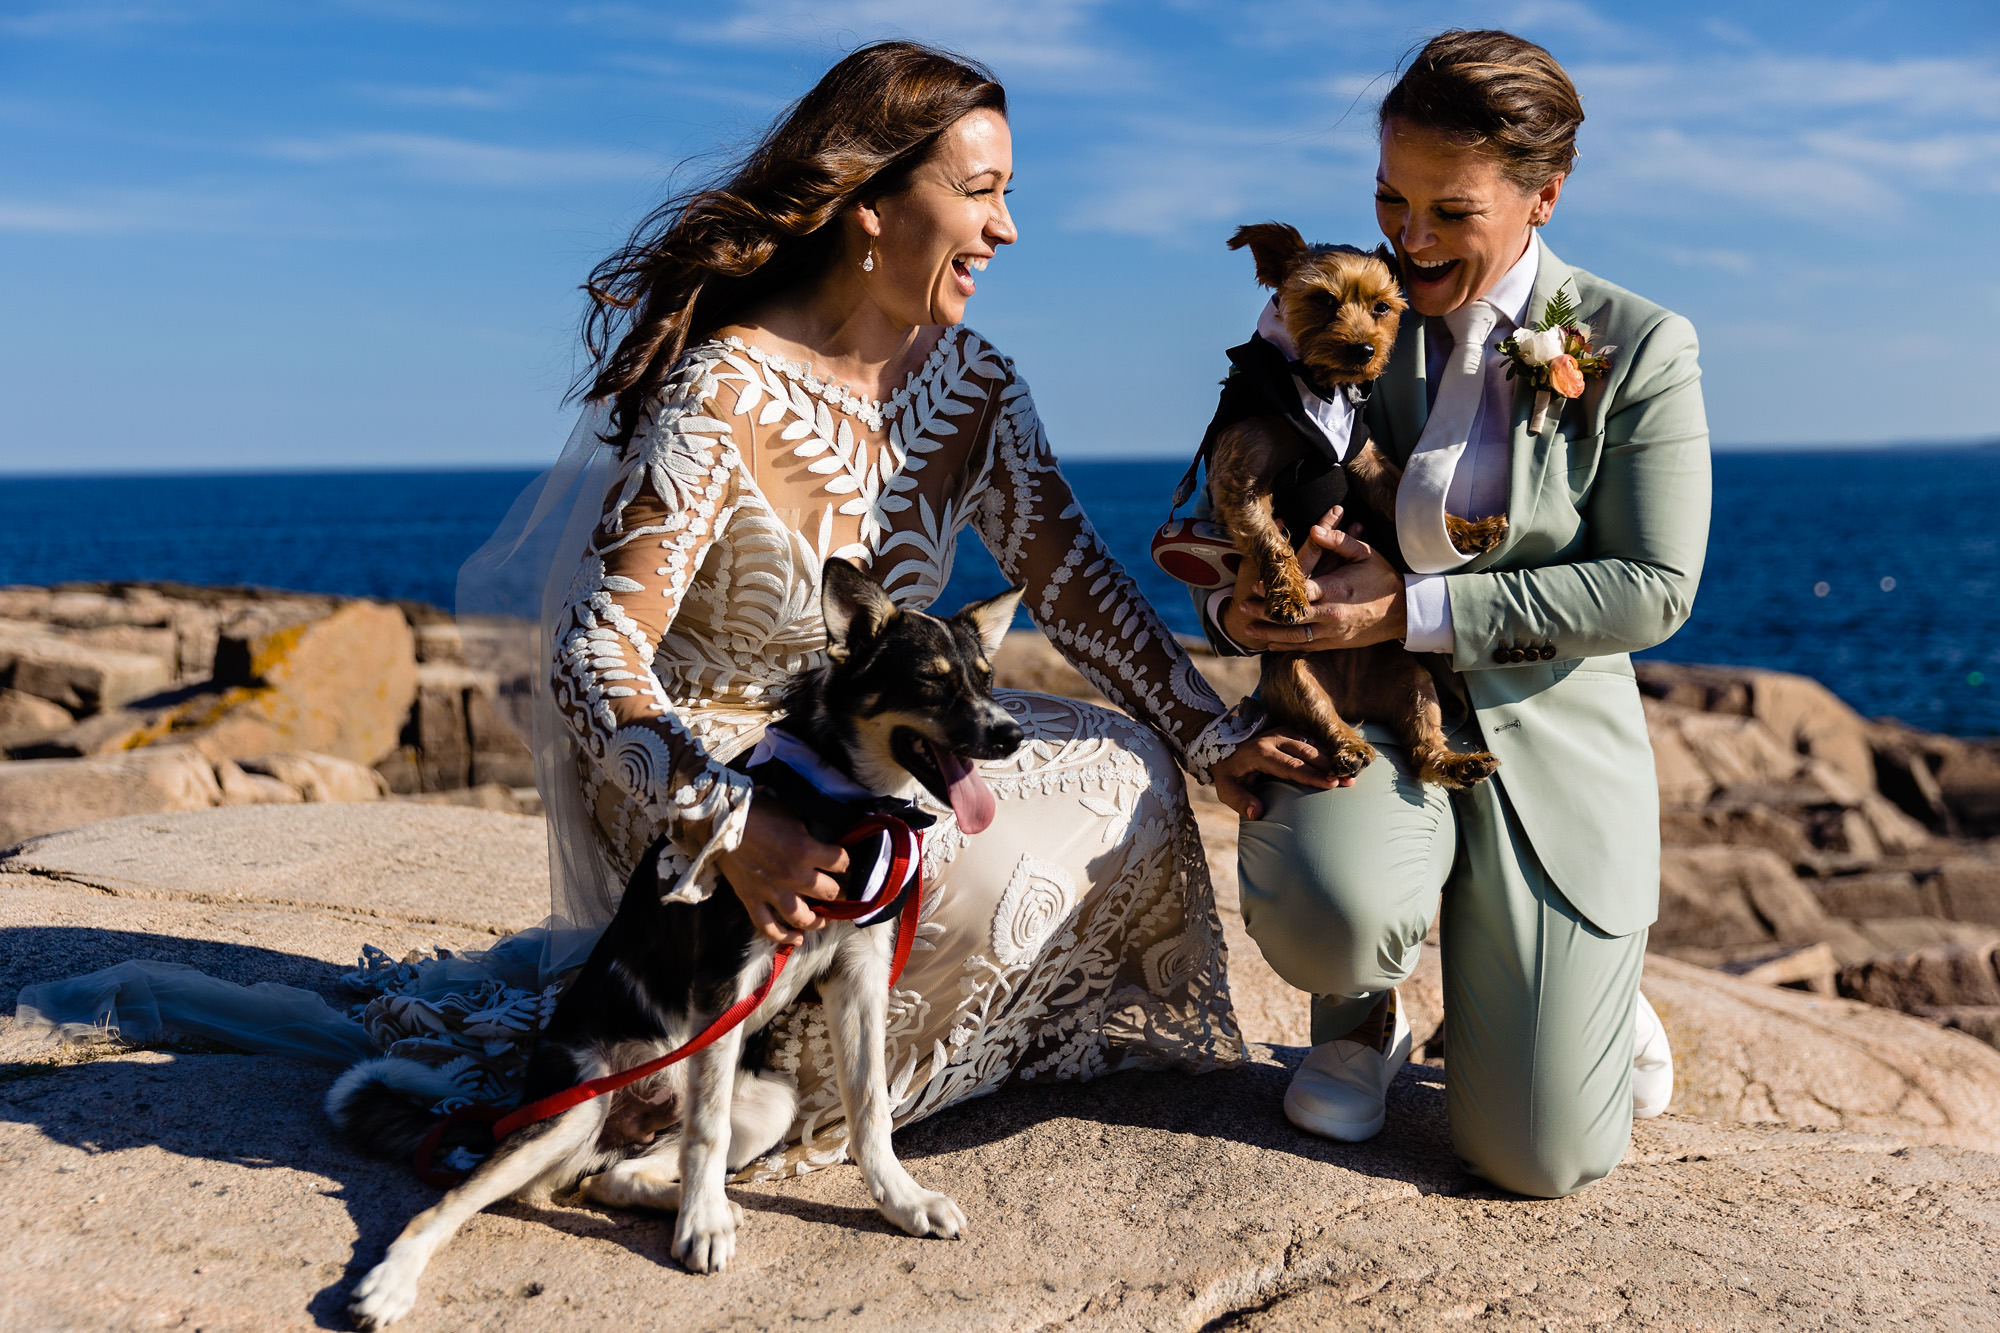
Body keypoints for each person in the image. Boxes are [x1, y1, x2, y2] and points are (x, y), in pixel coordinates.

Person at [15, 41, 1315, 1182]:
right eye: (979, 193)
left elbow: (1082, 581)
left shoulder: (975, 381)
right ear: (869, 205)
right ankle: (725, 1092)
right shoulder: (723, 391)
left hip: (871, 724)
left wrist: (1211, 738)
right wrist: (731, 820)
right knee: (933, 848)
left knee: (1121, 774)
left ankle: (876, 1059)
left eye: (1008, 194)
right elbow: (595, 654)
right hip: (703, 747)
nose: (1007, 230)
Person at [1187, 30, 1708, 1198]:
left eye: (1447, 211)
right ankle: (1357, 1017)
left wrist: (1405, 612)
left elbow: (1652, 588)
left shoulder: (1637, 346)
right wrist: (1250, 609)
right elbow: (1247, 496)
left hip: (1544, 737)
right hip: (1365, 722)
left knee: (1539, 1159)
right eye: (1389, 199)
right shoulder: (1345, 310)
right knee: (1330, 910)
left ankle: (1590, 985)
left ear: (1542, 196)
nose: (1407, 239)